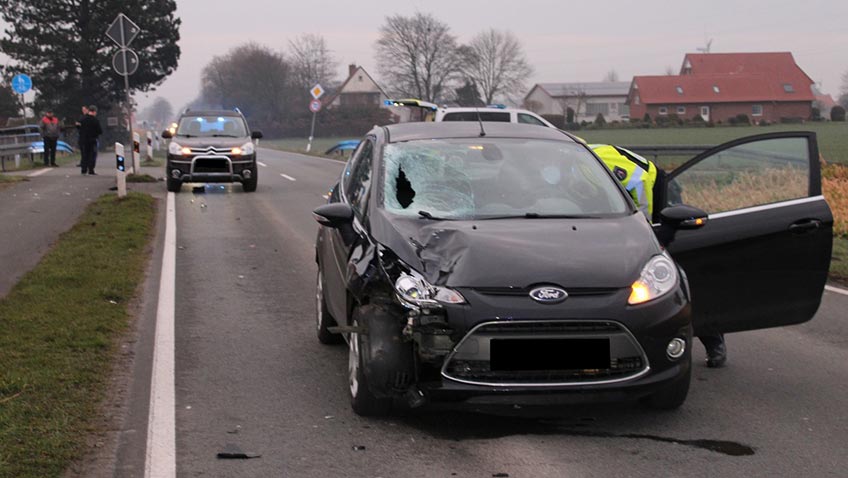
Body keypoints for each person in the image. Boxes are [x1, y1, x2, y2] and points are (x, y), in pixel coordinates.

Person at [591, 143, 728, 368]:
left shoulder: (595, 164)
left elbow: (640, 192)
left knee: (670, 268)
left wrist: (647, 238)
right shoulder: (564, 168)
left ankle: (714, 340)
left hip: (656, 189)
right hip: (631, 201)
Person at [78, 105, 103, 175]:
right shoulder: (95, 120)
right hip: (92, 140)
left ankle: (84, 169)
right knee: (92, 155)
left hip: (84, 139)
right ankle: (91, 169)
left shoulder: (83, 119)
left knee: (85, 155)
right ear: (94, 112)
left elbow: (78, 128)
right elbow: (100, 131)